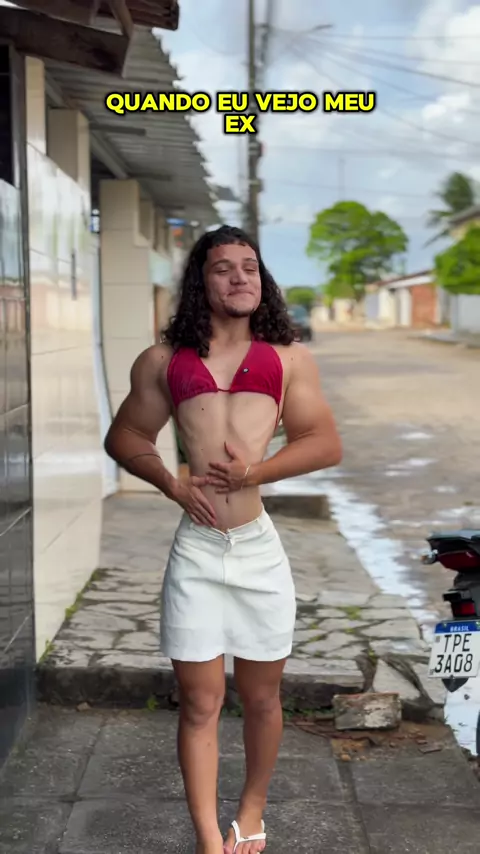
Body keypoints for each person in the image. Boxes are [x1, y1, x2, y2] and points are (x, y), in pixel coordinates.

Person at [104, 225, 342, 854]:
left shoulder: (288, 358)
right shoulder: (163, 361)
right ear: (200, 281)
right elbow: (125, 436)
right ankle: (210, 839)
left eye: (249, 267)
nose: (239, 278)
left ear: (262, 280)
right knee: (199, 702)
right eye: (223, 268)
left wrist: (253, 472)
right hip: (198, 549)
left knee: (262, 699)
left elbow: (324, 443)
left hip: (258, 549)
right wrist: (170, 483)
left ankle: (251, 812)